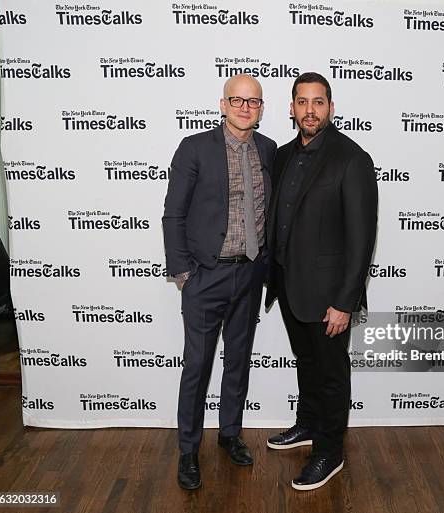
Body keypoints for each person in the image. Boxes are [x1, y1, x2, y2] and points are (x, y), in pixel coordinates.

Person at [162, 74, 276, 490]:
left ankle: (230, 434)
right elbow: (173, 214)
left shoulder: (268, 150)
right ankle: (189, 450)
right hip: (205, 276)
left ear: (262, 109)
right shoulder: (194, 148)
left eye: (254, 102)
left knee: (239, 360)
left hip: (249, 274)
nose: (246, 107)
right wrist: (184, 273)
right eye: (238, 100)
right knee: (197, 365)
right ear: (222, 104)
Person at [265, 72, 378, 490]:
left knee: (331, 374)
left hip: (330, 295)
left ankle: (329, 452)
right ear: (291, 108)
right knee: (307, 364)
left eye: (318, 101)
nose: (309, 110)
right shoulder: (282, 155)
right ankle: (308, 425)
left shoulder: (352, 158)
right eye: (302, 101)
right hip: (290, 287)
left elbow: (361, 237)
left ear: (331, 107)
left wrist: (345, 301)